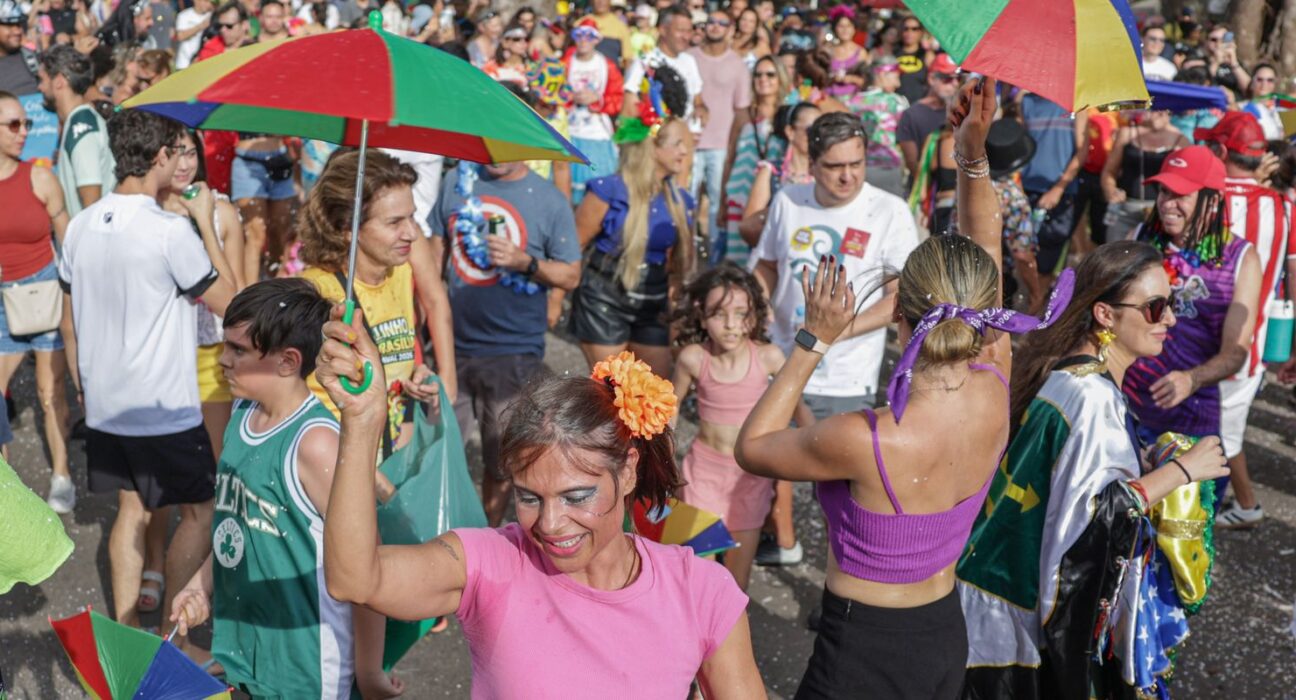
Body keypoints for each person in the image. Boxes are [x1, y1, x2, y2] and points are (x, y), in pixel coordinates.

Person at [738, 77, 1056, 697]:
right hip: (945, 631)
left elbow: (753, 447)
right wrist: (971, 152)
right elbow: (985, 244)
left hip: (862, 648)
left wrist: (814, 339)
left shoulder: (868, 437)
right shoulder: (995, 375)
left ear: (900, 319)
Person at [316, 334, 766, 697]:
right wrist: (362, 422)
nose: (549, 524)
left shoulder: (702, 593)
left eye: (576, 496)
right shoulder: (490, 563)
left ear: (628, 471)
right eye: (529, 497)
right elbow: (355, 579)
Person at [958, 241, 1231, 698]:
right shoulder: (1094, 399)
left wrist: (1141, 461)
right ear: (1105, 314)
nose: (1170, 320)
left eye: (1171, 304)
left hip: (990, 599)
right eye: (1155, 307)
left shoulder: (1069, 372)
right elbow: (1089, 519)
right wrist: (1182, 472)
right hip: (1015, 632)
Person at [168, 279, 401, 700]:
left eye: (238, 350)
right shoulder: (241, 414)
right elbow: (234, 527)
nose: (223, 360)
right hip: (245, 651)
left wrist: (370, 672)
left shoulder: (316, 444)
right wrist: (200, 585)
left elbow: (368, 563)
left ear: (287, 361)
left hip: (306, 669)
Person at [58, 109, 238, 632]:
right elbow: (230, 304)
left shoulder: (80, 225)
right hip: (163, 407)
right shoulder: (168, 230)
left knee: (131, 511)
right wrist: (206, 220)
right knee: (201, 511)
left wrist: (83, 386)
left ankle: (127, 641)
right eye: (173, 152)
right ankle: (171, 641)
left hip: (107, 405)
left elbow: (68, 323)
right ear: (159, 156)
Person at [429, 156, 581, 526]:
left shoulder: (548, 199)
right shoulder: (456, 181)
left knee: (501, 463)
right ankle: (436, 536)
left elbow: (571, 275)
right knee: (435, 456)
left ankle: (487, 536)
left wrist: (526, 263)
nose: (497, 154)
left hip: (514, 354)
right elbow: (434, 256)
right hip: (450, 348)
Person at [670, 263, 810, 590]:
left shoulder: (769, 357)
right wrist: (661, 458)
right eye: (719, 314)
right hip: (701, 475)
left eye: (741, 313)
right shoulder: (692, 358)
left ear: (755, 315)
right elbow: (670, 408)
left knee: (737, 581)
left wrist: (822, 456)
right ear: (700, 315)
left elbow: (799, 409)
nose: (731, 325)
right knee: (698, 578)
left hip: (749, 479)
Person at [298, 149, 436, 458]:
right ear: (348, 229)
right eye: (394, 222)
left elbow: (394, 359)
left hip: (393, 458)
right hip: (335, 465)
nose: (412, 233)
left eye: (412, 217)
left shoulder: (401, 273)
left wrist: (418, 377)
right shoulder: (314, 292)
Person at [1124, 147, 1261, 456]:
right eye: (1163, 191)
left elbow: (1235, 352)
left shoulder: (1240, 258)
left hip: (1190, 418)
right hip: (1125, 408)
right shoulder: (1139, 238)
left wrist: (1192, 379)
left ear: (1212, 201)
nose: (1166, 204)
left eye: (1180, 195)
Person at [1198, 112, 1294, 528]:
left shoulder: (1204, 198)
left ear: (1221, 151)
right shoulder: (1284, 207)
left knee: (1214, 436)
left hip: (1192, 344)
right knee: (1224, 433)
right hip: (1250, 348)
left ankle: (1230, 508)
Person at [569, 65, 695, 378]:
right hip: (603, 298)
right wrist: (555, 300)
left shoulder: (680, 201)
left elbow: (677, 269)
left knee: (656, 388)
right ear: (653, 147)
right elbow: (573, 246)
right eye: (677, 144)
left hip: (651, 301)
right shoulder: (609, 191)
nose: (684, 152)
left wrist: (677, 315)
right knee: (611, 390)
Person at [0, 92, 72, 513]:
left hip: (44, 293)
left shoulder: (40, 178)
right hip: (2, 301)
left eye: (26, 123)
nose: (24, 132)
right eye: (14, 124)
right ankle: (6, 490)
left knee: (50, 392)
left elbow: (69, 244)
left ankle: (62, 474)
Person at [689, 9, 750, 262]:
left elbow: (742, 110)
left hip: (721, 144)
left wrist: (737, 147)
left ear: (730, 29)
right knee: (686, 201)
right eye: (711, 21)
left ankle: (714, 259)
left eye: (721, 22)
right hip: (689, 143)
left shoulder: (737, 63)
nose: (715, 26)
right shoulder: (689, 57)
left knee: (717, 203)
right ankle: (685, 253)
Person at [719, 53, 787, 266]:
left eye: (770, 74)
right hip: (740, 193)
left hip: (773, 196)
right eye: (758, 74)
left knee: (768, 258)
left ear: (780, 78)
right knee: (738, 262)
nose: (763, 79)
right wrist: (722, 201)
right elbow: (730, 158)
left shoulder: (786, 114)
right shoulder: (743, 115)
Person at [1019, 91, 1089, 283]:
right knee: (1025, 259)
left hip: (1060, 194)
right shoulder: (1026, 101)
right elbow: (1024, 147)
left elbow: (1082, 151)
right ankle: (1034, 299)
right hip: (1027, 190)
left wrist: (1059, 187)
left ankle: (1040, 300)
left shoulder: (1076, 102)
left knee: (1048, 264)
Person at [39, 44, 113, 218]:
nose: (39, 87)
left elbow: (91, 204)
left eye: (42, 80)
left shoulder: (81, 125)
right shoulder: (78, 121)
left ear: (59, 81)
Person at [1099, 109, 1189, 244]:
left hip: (1159, 212)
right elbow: (1109, 171)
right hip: (1126, 208)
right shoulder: (1127, 133)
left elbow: (1186, 183)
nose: (1156, 113)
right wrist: (1110, 190)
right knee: (1116, 253)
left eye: (1161, 110)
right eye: (1152, 109)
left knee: (1153, 255)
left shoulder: (1181, 140)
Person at [738, 101, 819, 248]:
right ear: (790, 132)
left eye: (823, 130)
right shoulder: (770, 172)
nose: (817, 137)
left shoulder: (826, 173)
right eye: (811, 130)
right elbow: (748, 226)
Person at [564, 18, 624, 203]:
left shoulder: (607, 65)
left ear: (597, 40)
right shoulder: (566, 62)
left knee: (597, 190)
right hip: (570, 130)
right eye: (579, 35)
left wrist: (598, 100)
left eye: (589, 36)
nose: (584, 41)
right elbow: (554, 92)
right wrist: (569, 98)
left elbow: (619, 98)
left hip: (597, 134)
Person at [623, 4, 706, 131]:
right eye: (681, 30)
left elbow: (697, 100)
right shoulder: (644, 62)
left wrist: (702, 109)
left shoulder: (689, 61)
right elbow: (629, 107)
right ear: (662, 30)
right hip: (655, 137)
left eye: (689, 31)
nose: (686, 37)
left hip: (685, 137)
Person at [845, 56, 909, 198]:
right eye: (896, 77)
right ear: (882, 74)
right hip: (889, 167)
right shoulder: (896, 102)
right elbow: (907, 137)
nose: (898, 83)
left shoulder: (852, 102)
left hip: (859, 167)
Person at [896, 52, 957, 195]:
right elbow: (912, 164)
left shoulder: (960, 111)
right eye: (947, 78)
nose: (954, 83)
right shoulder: (911, 115)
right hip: (927, 193)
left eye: (957, 78)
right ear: (931, 79)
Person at [824, 5, 864, 99]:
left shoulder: (861, 53)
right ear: (834, 29)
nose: (845, 30)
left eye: (849, 26)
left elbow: (867, 81)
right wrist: (832, 78)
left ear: (854, 28)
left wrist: (852, 79)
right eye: (841, 26)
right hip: (829, 97)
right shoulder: (828, 50)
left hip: (852, 99)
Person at [894, 15, 934, 105]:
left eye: (914, 29)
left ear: (921, 32)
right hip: (895, 105)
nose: (909, 32)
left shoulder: (927, 55)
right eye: (906, 28)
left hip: (919, 105)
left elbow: (934, 82)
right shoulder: (892, 53)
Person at [1242, 63, 1284, 140]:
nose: (1264, 84)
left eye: (1270, 80)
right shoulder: (1241, 108)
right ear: (1251, 83)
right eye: (1259, 80)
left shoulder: (1281, 109)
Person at [1206, 25, 1250, 97]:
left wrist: (1234, 63)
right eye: (1214, 40)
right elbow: (1200, 86)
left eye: (1223, 39)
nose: (1218, 43)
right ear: (1207, 42)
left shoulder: (1237, 64)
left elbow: (1250, 90)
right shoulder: (1200, 61)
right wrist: (1216, 63)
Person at [588, 0, 633, 65]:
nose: (601, 2)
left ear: (610, 1)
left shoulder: (621, 27)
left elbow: (627, 58)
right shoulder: (580, 24)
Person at [174, 0, 212, 70]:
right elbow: (180, 36)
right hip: (184, 63)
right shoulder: (184, 15)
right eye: (205, 1)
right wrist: (201, 26)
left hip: (203, 63)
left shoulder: (212, 16)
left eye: (210, 2)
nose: (208, 4)